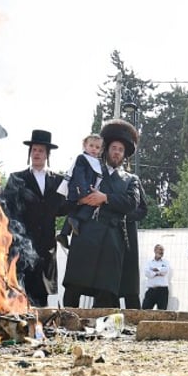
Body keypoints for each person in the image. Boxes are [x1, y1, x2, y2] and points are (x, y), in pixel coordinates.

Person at [61, 120, 140, 308]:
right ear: (107, 149)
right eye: (114, 148)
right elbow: (74, 187)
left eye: (121, 150)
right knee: (75, 284)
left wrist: (105, 198)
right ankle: (67, 323)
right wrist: (80, 199)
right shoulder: (91, 168)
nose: (117, 152)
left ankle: (103, 332)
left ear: (124, 155)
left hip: (113, 238)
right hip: (86, 231)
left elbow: (132, 203)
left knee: (106, 289)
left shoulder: (131, 179)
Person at [10, 129, 67, 307]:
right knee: (20, 293)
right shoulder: (17, 178)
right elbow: (8, 209)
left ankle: (40, 331)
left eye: (41, 150)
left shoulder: (59, 181)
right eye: (34, 150)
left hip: (46, 247)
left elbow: (63, 208)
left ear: (47, 154)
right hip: (22, 244)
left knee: (42, 296)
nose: (37, 153)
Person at [55, 134, 103, 250]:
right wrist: (84, 192)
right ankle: (78, 219)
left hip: (83, 189)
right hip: (78, 189)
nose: (94, 149)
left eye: (97, 147)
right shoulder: (82, 158)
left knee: (73, 210)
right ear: (84, 146)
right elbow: (79, 176)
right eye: (91, 145)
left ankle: (63, 234)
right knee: (91, 204)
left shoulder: (96, 162)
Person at [141, 244, 172, 310]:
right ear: (155, 250)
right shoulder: (149, 262)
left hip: (162, 290)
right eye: (160, 250)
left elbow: (165, 271)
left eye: (163, 250)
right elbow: (147, 273)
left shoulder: (166, 262)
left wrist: (154, 270)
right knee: (145, 310)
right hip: (151, 290)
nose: (161, 252)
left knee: (162, 312)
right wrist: (158, 273)